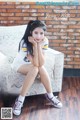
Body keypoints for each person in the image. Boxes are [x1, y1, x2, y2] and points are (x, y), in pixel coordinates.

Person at [11, 20, 62, 116]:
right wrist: (34, 45)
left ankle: (50, 96)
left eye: (41, 33)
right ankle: (20, 100)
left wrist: (38, 45)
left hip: (34, 65)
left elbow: (41, 63)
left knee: (40, 68)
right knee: (35, 68)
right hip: (19, 65)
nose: (39, 36)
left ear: (44, 33)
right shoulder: (24, 43)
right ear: (31, 32)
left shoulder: (45, 41)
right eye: (36, 33)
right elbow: (35, 63)